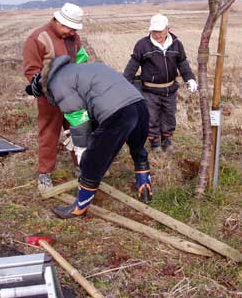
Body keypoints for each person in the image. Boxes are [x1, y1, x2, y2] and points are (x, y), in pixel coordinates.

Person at [26, 55, 152, 219]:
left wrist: (81, 148)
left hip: (117, 113)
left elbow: (79, 120)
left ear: (44, 87)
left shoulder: (57, 83)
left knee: (93, 160)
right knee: (138, 149)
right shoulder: (78, 70)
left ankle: (79, 207)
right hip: (139, 103)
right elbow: (96, 100)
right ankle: (145, 189)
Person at [23, 3, 90, 192]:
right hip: (50, 98)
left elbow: (79, 59)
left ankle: (82, 167)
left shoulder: (73, 36)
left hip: (73, 96)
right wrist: (45, 88)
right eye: (69, 27)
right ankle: (44, 174)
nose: (72, 32)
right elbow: (31, 70)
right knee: (49, 134)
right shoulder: (37, 38)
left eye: (74, 29)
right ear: (58, 21)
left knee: (80, 130)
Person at [123, 14, 197, 153]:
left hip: (170, 89)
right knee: (152, 118)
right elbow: (133, 65)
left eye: (159, 31)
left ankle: (167, 142)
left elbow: (182, 63)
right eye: (154, 31)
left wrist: (190, 78)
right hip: (150, 91)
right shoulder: (143, 45)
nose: (156, 34)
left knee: (169, 116)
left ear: (168, 29)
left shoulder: (176, 44)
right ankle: (155, 144)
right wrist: (124, 83)